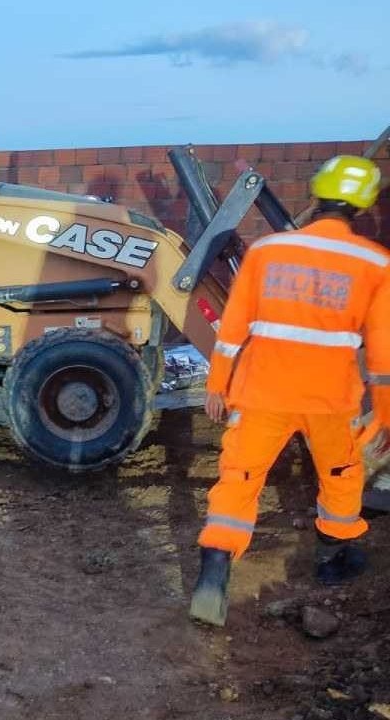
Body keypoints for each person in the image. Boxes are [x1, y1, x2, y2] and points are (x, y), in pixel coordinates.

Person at [189, 155, 390, 627]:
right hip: (331, 401)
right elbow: (382, 358)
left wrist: (218, 384)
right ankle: (333, 560)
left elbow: (233, 329)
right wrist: (383, 415)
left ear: (317, 194)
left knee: (238, 479)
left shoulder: (266, 251)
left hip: (261, 393)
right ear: (362, 205)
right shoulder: (376, 263)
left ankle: (213, 576)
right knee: (340, 475)